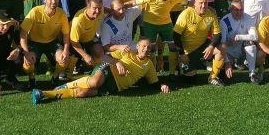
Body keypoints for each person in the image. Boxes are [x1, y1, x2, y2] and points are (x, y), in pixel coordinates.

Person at [31, 37, 170, 104]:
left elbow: (153, 82)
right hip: (107, 71)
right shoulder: (127, 52)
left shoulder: (149, 65)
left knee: (81, 93)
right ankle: (55, 89)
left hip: (114, 87)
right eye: (143, 46)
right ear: (138, 46)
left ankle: (46, 94)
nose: (146, 49)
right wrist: (118, 60)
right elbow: (107, 52)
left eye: (148, 48)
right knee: (93, 83)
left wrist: (161, 85)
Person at [125, 0, 183, 75]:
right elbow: (133, 2)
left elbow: (189, 3)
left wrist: (207, 8)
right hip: (150, 25)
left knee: (173, 47)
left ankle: (172, 73)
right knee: (150, 48)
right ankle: (152, 72)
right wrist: (118, 8)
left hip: (166, 24)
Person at [20, 0, 71, 88]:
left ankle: (55, 77)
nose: (53, 1)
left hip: (52, 42)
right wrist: (26, 52)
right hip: (34, 42)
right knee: (28, 64)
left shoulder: (62, 13)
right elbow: (23, 33)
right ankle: (32, 78)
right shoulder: (35, 12)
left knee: (64, 59)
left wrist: (65, 50)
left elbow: (66, 34)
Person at [172, 0, 224, 86]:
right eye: (200, 3)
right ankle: (180, 65)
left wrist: (211, 46)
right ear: (194, 4)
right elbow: (176, 35)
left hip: (203, 47)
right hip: (188, 53)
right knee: (191, 80)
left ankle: (212, 77)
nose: (203, 6)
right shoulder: (186, 14)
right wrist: (182, 54)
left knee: (221, 48)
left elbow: (218, 34)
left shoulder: (210, 14)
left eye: (205, 3)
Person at [67, 0, 106, 78]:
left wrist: (115, 11)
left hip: (90, 38)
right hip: (75, 41)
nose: (97, 11)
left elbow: (105, 10)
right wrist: (85, 55)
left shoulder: (101, 11)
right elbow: (73, 41)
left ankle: (94, 69)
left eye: (99, 8)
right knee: (72, 60)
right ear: (88, 7)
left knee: (99, 52)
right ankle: (69, 71)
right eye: (94, 8)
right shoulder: (78, 20)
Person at [218, 0, 258, 82]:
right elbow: (222, 44)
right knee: (225, 76)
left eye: (241, 10)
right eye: (236, 10)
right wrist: (227, 62)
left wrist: (239, 37)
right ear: (231, 10)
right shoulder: (224, 21)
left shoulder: (248, 18)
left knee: (250, 43)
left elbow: (255, 37)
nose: (239, 12)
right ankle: (234, 63)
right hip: (230, 52)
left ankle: (252, 73)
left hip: (243, 50)